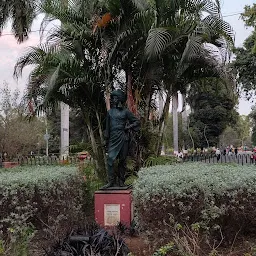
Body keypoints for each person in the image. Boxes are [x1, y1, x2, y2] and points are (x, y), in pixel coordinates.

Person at [102, 89, 140, 189]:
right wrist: (106, 141)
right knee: (110, 159)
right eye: (112, 98)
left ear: (118, 100)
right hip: (113, 138)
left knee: (122, 160)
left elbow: (136, 122)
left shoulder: (125, 112)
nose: (112, 100)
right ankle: (110, 181)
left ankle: (121, 182)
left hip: (123, 138)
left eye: (114, 98)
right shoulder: (110, 112)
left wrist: (127, 127)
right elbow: (107, 128)